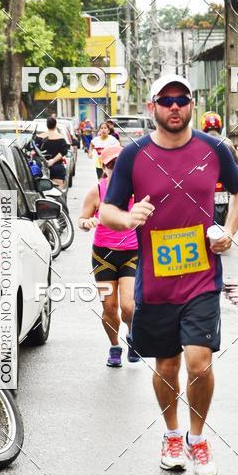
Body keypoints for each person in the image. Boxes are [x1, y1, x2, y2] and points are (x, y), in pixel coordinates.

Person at [100, 73, 238, 475]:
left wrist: (229, 232)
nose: (174, 107)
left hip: (202, 278)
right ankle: (171, 434)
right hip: (156, 280)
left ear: (191, 105)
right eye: (165, 100)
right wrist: (129, 217)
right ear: (153, 108)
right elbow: (107, 210)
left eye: (181, 99)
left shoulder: (214, 148)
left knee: (199, 364)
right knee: (166, 367)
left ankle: (197, 439)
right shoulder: (133, 156)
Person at [79, 144, 140, 367]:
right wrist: (87, 222)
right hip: (103, 256)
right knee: (109, 307)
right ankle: (115, 346)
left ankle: (132, 334)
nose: (115, 169)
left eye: (120, 165)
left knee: (129, 307)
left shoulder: (138, 190)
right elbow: (82, 220)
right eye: (111, 165)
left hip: (131, 254)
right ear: (104, 168)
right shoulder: (97, 191)